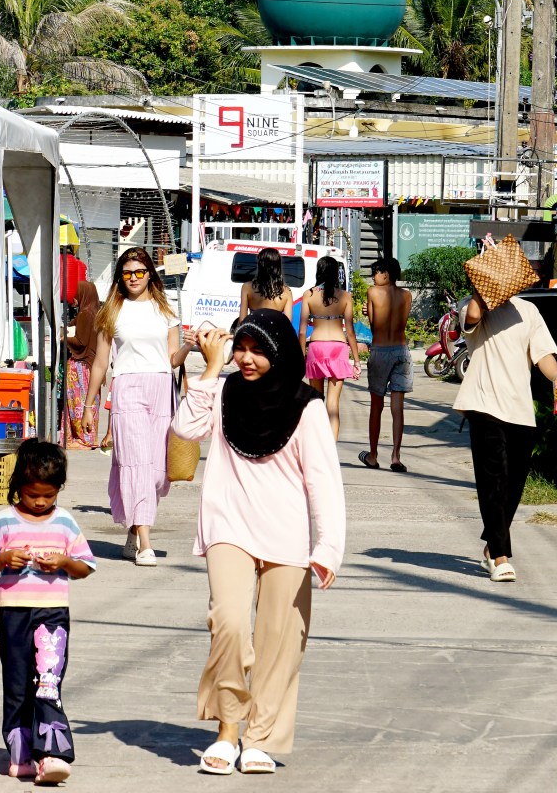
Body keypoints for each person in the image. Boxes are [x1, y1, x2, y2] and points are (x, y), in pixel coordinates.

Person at [171, 310, 345, 775]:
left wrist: (327, 547)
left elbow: (324, 482)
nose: (246, 359)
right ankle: (228, 729)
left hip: (287, 536)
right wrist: (210, 368)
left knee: (280, 641)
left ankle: (259, 737)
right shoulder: (224, 390)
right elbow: (185, 430)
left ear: (280, 353)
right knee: (227, 623)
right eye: (241, 348)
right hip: (229, 527)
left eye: (258, 350)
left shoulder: (307, 407)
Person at [0, 439, 96, 784]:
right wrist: (3, 560)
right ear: (17, 488)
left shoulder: (65, 523)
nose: (40, 502)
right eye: (32, 494)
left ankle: (53, 752)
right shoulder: (3, 523)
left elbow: (85, 566)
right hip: (14, 615)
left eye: (49, 495)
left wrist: (65, 561)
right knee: (17, 684)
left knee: (47, 682)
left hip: (53, 615)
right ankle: (20, 750)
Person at [454, 270, 557, 582]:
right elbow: (472, 319)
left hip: (520, 409)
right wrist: (483, 282)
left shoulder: (528, 311)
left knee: (513, 483)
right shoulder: (472, 305)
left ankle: (492, 546)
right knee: (492, 479)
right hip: (483, 405)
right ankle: (501, 556)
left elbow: (542, 353)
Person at [82, 247, 194, 566]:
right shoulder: (111, 313)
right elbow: (101, 363)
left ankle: (134, 528)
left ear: (150, 275)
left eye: (139, 272)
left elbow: (172, 360)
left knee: (158, 472)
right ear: (120, 277)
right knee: (137, 464)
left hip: (161, 389)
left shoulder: (166, 313)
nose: (133, 278)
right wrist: (89, 405)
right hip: (127, 388)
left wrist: (189, 344)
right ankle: (146, 543)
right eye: (127, 273)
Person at [359, 257, 413, 473]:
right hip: (401, 350)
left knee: (376, 405)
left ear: (387, 274)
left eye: (377, 272)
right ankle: (396, 457)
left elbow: (374, 326)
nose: (374, 276)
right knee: (397, 408)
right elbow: (402, 322)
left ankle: (373, 455)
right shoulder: (407, 295)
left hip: (381, 350)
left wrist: (369, 311)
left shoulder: (373, 292)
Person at [299, 256, 361, 441]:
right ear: (336, 273)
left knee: (316, 401)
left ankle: (316, 444)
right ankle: (331, 448)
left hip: (316, 347)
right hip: (338, 347)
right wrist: (356, 360)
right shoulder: (345, 296)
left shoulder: (308, 295)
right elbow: (350, 332)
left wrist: (301, 356)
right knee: (333, 404)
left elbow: (302, 331)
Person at [62, 281, 100, 450]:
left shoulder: (86, 314)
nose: (73, 299)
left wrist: (64, 338)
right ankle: (86, 437)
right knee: (87, 402)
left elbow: (81, 341)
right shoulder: (95, 312)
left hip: (81, 366)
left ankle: (84, 438)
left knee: (79, 402)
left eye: (75, 294)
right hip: (91, 366)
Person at [239, 248, 294, 319]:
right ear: (278, 267)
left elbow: (242, 319)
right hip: (275, 330)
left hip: (254, 328)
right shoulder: (287, 292)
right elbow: (287, 324)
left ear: (260, 265)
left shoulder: (247, 287)